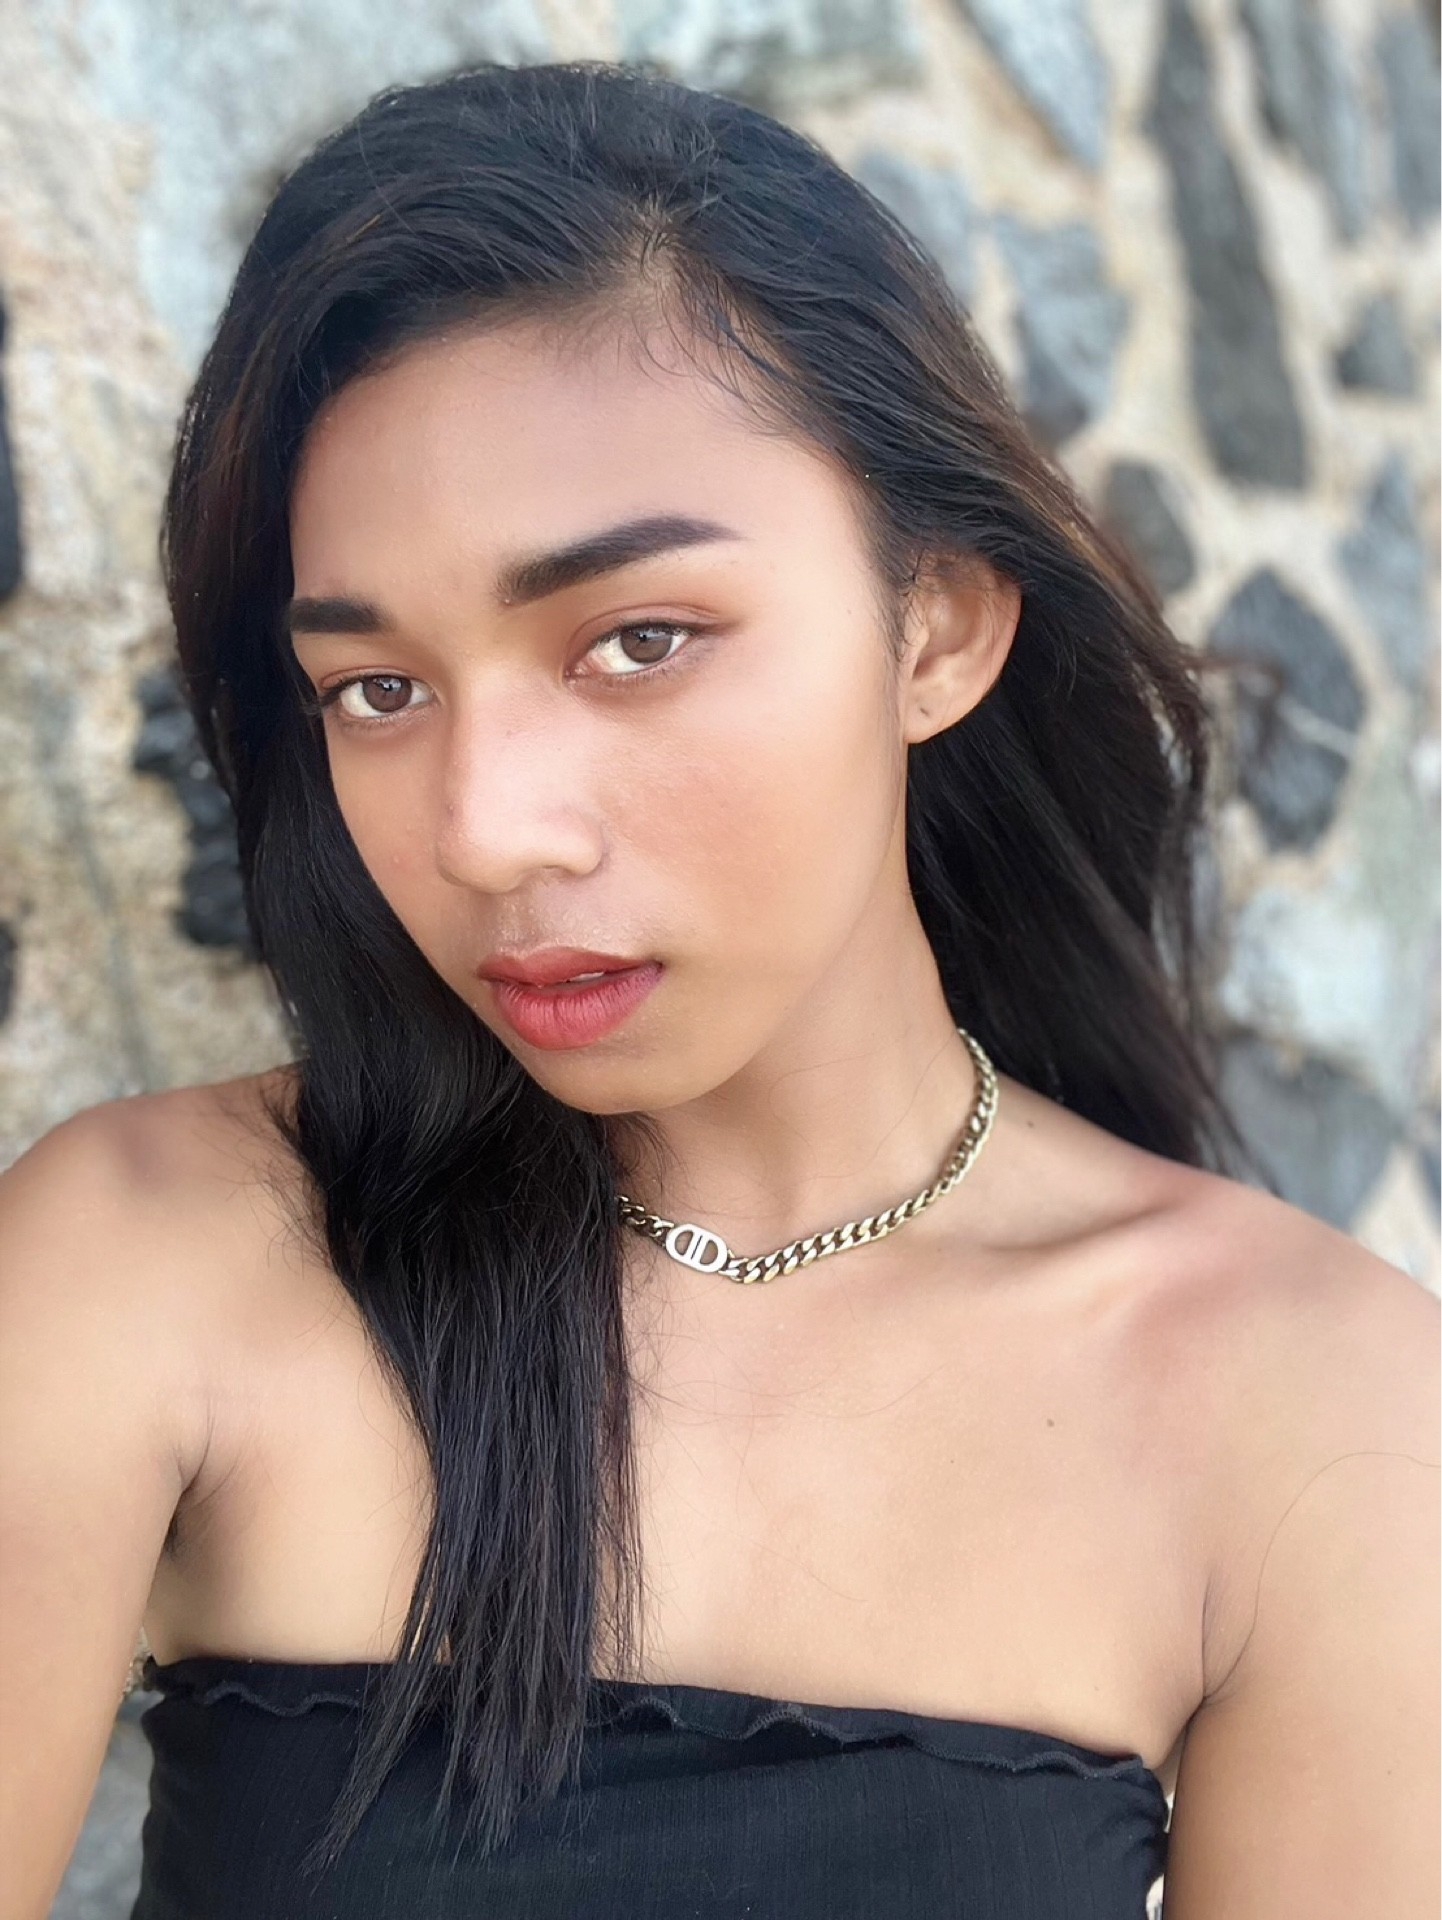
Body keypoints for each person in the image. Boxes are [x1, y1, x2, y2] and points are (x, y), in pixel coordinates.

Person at [1, 59, 1436, 1920]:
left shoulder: (1311, 1409)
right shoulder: (150, 1260)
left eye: (637, 640)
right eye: (379, 688)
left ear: (935, 626)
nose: (485, 831)